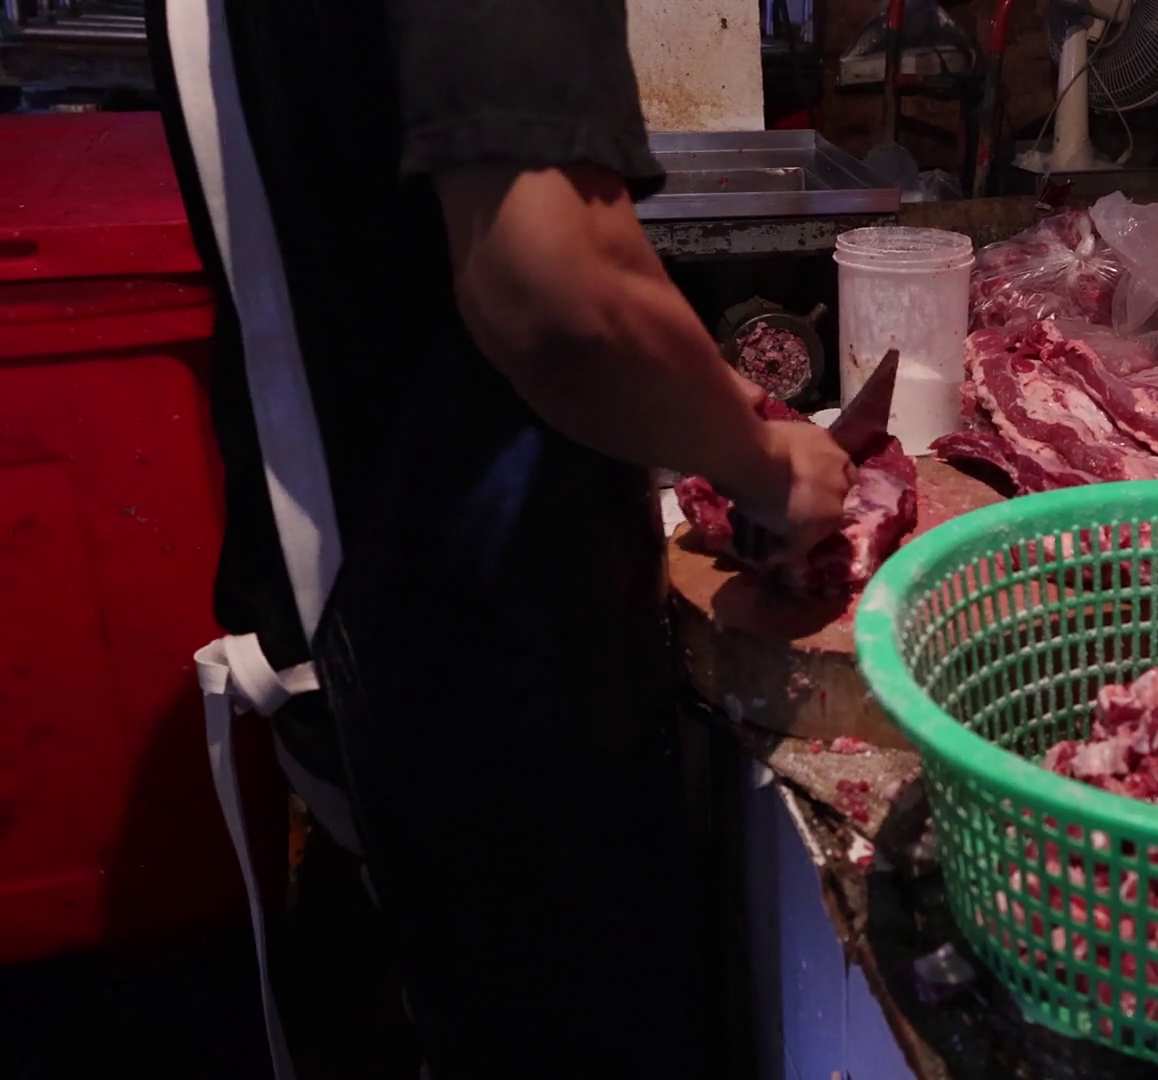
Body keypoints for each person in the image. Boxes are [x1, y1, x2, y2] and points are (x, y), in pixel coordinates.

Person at [147, 0, 854, 1074]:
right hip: (481, 695)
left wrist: (691, 409)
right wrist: (766, 462)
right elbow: (553, 289)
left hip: (365, 636)